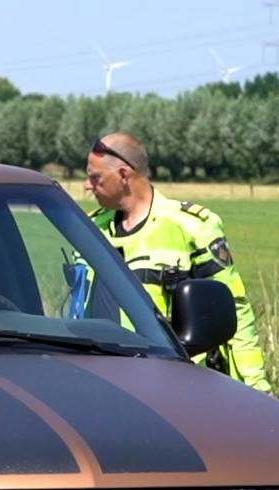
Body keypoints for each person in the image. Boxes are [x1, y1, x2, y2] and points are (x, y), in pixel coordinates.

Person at [85, 132, 269, 391]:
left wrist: (255, 389)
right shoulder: (89, 229)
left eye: (95, 178)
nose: (87, 186)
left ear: (124, 175)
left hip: (176, 383)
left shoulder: (192, 226)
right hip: (102, 379)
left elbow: (235, 311)